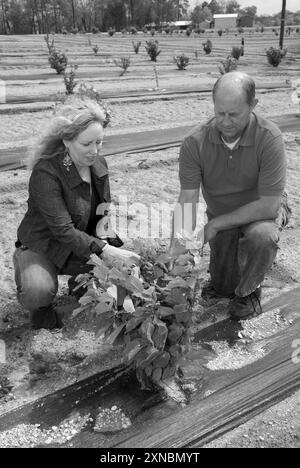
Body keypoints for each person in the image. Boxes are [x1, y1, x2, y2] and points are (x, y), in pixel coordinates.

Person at [170, 71, 291, 320]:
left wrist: (214, 225)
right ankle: (234, 273)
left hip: (260, 212)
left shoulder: (269, 138)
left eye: (234, 114)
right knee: (224, 288)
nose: (225, 122)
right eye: (220, 113)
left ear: (252, 106)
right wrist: (177, 249)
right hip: (223, 212)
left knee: (262, 236)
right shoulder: (195, 143)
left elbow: (269, 206)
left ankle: (250, 293)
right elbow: (187, 199)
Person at [13, 96, 140, 330]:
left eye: (99, 142)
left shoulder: (98, 165)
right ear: (66, 140)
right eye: (87, 144)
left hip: (78, 245)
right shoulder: (46, 173)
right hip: (42, 246)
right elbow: (62, 230)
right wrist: (104, 250)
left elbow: (102, 212)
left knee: (121, 275)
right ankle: (40, 307)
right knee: (39, 290)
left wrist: (108, 250)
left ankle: (79, 283)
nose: (94, 151)